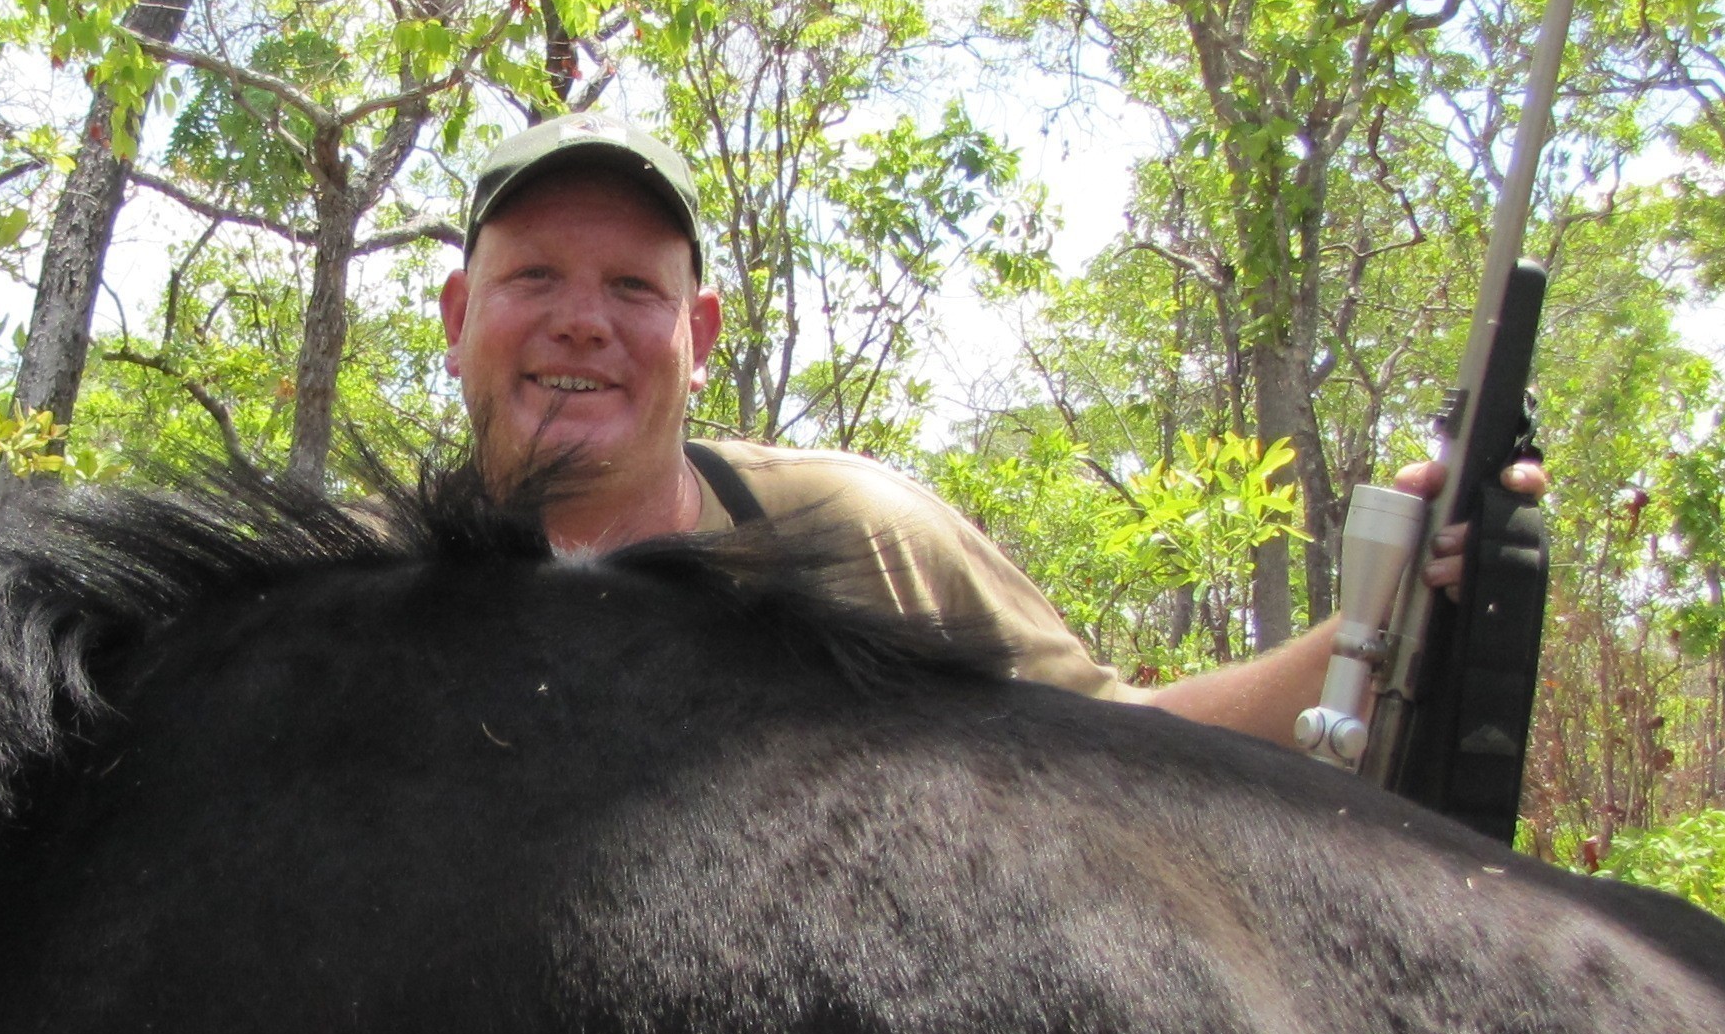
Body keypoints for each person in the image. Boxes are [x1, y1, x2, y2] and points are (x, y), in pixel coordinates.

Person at [433, 111, 1541, 745]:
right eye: (533, 277)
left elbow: (1127, 749)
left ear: (702, 334)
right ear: (456, 317)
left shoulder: (853, 538)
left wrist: (1373, 623)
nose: (581, 324)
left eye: (633, 288)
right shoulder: (354, 597)